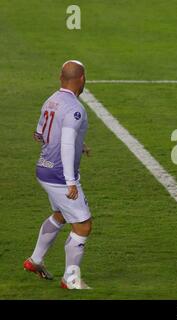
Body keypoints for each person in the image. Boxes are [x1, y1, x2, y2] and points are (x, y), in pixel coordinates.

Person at [24, 60, 92, 289]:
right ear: (81, 79)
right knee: (83, 225)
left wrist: (79, 143)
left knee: (60, 215)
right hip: (60, 176)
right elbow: (64, 143)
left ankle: (35, 260)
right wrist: (71, 181)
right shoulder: (75, 109)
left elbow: (40, 134)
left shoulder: (51, 100)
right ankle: (71, 280)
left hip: (43, 169)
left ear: (60, 77)